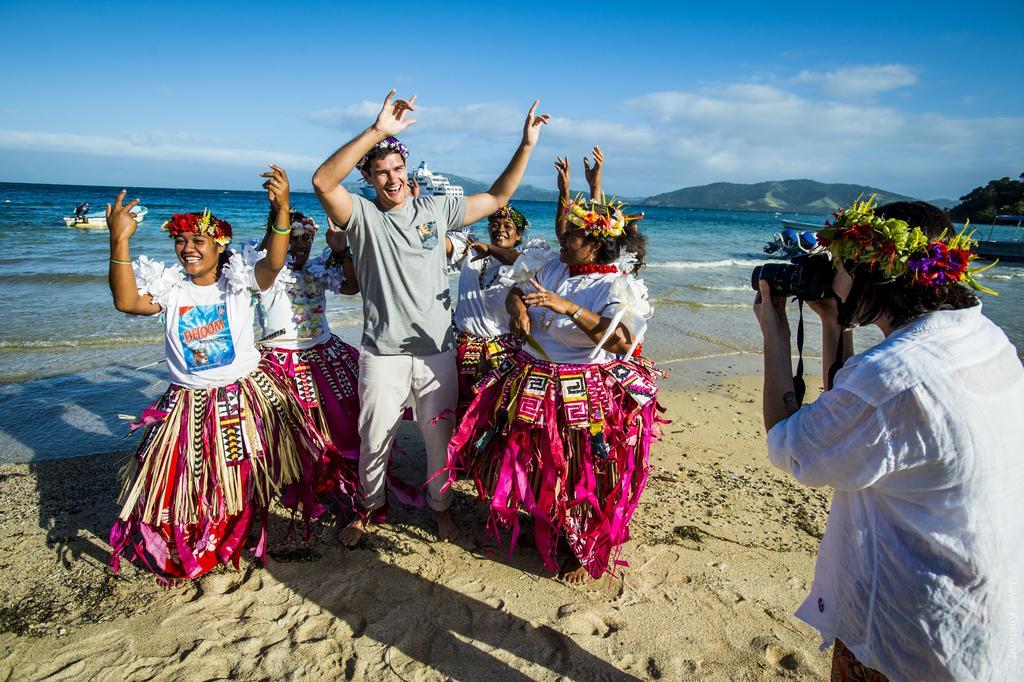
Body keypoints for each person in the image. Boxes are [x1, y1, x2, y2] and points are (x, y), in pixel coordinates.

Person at [753, 198, 1024, 680]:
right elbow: (853, 417)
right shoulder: (985, 337)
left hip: (909, 631)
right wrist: (834, 324)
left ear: (873, 271)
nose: (831, 278)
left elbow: (791, 447)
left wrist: (774, 330)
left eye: (839, 265)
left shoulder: (892, 379)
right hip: (981, 606)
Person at [312, 89, 549, 545]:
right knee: (374, 437)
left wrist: (526, 146)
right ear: (367, 176)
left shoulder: (436, 209)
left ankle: (440, 508)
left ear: (406, 169)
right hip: (383, 354)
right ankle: (370, 507)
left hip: (437, 350)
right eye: (380, 172)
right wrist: (378, 131)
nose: (392, 179)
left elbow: (499, 197)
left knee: (438, 438)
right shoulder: (359, 215)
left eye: (397, 168)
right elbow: (323, 182)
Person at [106, 166, 335, 583]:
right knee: (188, 480)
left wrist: (282, 209)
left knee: (242, 475)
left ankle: (237, 533)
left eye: (198, 241)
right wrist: (119, 241)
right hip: (188, 402)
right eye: (181, 241)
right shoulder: (171, 290)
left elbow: (276, 259)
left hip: (242, 395)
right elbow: (126, 302)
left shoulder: (240, 283)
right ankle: (201, 537)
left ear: (219, 245)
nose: (187, 248)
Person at [446, 166, 660, 583]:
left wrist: (567, 308)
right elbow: (515, 286)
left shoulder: (614, 287)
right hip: (531, 375)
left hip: (581, 388)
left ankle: (581, 544)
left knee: (580, 468)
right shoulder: (554, 266)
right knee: (531, 458)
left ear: (596, 244)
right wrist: (518, 309)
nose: (563, 239)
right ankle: (541, 520)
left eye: (573, 236)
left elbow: (621, 342)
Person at [246, 209, 365, 512]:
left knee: (337, 417)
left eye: (306, 239)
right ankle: (295, 476)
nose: (300, 246)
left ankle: (335, 472)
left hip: (323, 352)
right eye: (293, 238)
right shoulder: (265, 271)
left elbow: (352, 286)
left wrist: (343, 250)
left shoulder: (317, 269)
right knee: (290, 426)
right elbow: (262, 253)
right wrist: (276, 221)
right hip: (281, 358)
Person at [447, 204, 547, 415]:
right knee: (460, 407)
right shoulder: (469, 251)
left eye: (508, 226)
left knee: (494, 412)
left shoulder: (525, 264)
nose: (500, 229)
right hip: (464, 346)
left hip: (503, 351)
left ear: (519, 235)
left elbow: (524, 271)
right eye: (495, 224)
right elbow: (443, 244)